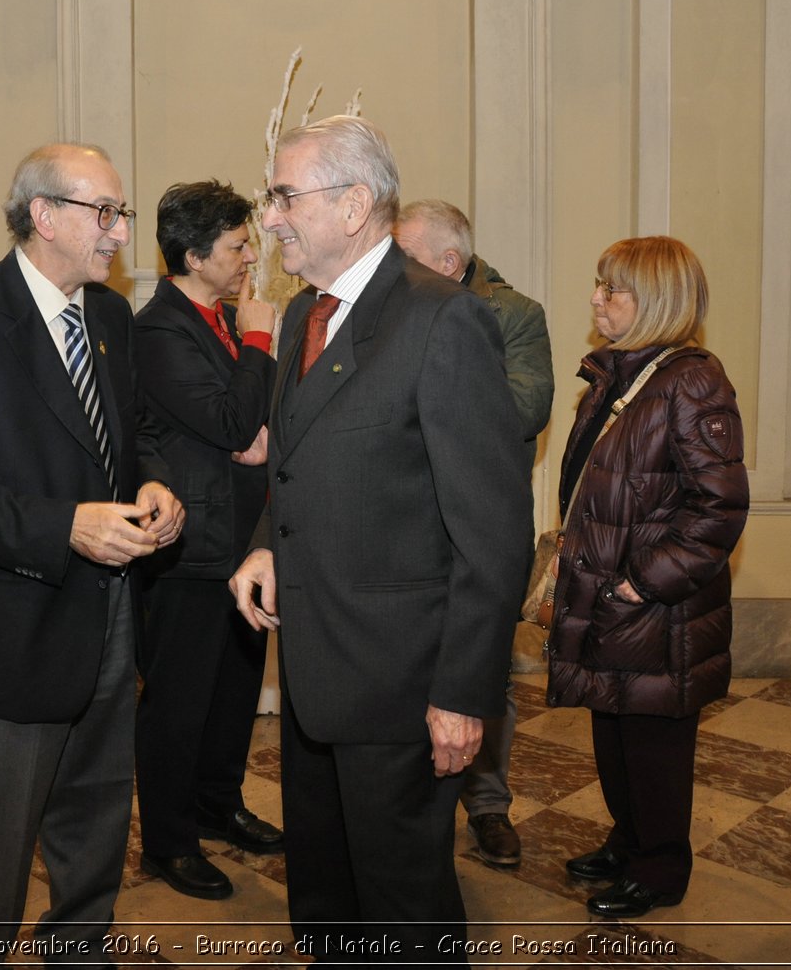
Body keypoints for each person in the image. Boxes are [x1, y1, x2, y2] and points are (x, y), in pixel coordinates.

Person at [228, 116, 531, 960]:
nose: (272, 215)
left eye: (286, 195)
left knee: (404, 908)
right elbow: (294, 463)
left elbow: (497, 533)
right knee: (325, 896)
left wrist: (465, 692)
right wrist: (265, 543)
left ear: (355, 204)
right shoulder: (300, 318)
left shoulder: (443, 323)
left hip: (405, 687)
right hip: (316, 677)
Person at [0, 143, 182, 966]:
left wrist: (153, 486)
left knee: (95, 810)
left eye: (121, 212)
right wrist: (64, 526)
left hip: (111, 614)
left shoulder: (113, 319)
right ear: (44, 216)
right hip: (13, 626)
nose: (122, 232)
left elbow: (132, 438)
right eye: (107, 212)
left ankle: (78, 947)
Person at [549, 235, 748, 919]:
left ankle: (660, 866)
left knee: (654, 743)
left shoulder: (691, 379)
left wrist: (642, 583)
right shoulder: (622, 371)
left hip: (656, 608)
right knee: (614, 729)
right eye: (598, 285)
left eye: (612, 289)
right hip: (612, 593)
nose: (596, 300)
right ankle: (627, 839)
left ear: (656, 301)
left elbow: (718, 506)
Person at [393, 198, 553, 868]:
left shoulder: (514, 313)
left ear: (449, 263)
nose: (391, 271)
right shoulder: (393, 310)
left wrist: (426, 396)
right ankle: (407, 806)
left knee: (484, 672)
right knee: (406, 672)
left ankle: (488, 805)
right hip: (410, 525)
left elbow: (525, 407)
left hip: (483, 524)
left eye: (406, 259)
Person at [133, 180, 280, 901]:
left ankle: (220, 805)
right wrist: (259, 337)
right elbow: (226, 421)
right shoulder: (159, 328)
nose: (249, 254)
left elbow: (258, 412)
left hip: (244, 540)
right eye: (236, 246)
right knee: (179, 704)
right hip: (191, 550)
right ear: (192, 256)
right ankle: (168, 840)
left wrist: (262, 426)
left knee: (234, 695)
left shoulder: (219, 317)